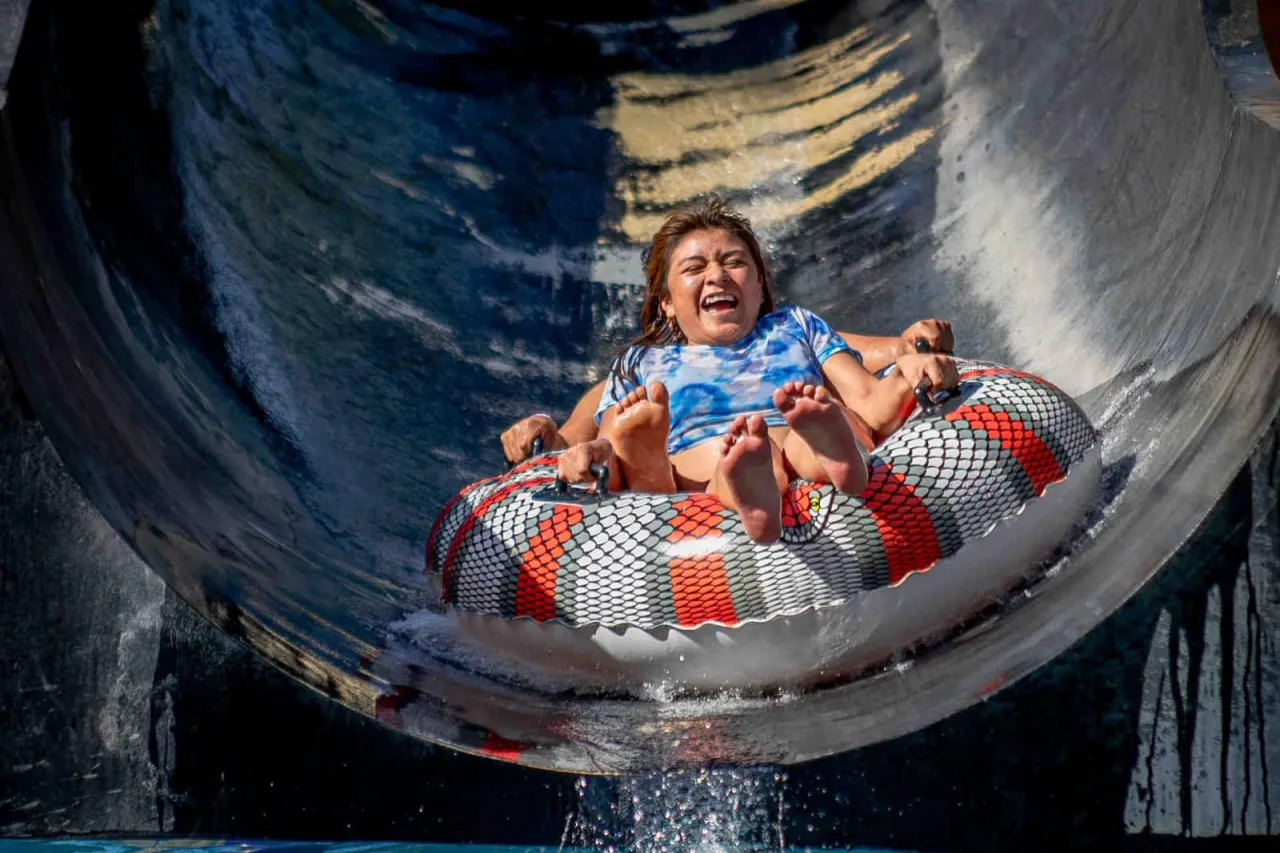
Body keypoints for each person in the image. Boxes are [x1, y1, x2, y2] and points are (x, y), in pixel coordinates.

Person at [508, 197, 959, 544]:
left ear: (760, 285)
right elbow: (591, 436)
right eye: (694, 268)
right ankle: (744, 481)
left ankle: (834, 453)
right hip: (698, 457)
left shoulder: (794, 327)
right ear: (666, 303)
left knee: (829, 418)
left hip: (791, 428)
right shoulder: (644, 363)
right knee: (677, 447)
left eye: (735, 262)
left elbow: (860, 389)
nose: (718, 275)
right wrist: (578, 446)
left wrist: (907, 365)